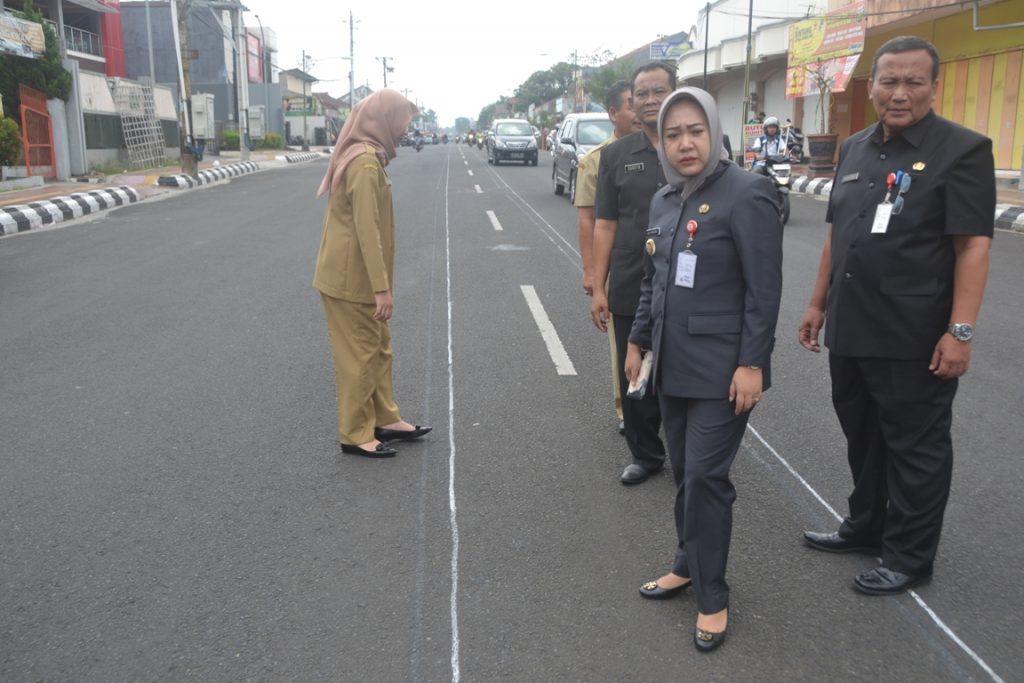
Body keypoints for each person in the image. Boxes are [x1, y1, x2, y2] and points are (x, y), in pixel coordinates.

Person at [798, 36, 994, 595]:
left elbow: (972, 247)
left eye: (913, 81)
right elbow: (840, 234)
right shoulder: (856, 147)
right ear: (873, 86)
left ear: (935, 86)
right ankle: (867, 525)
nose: (900, 93)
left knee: (916, 446)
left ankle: (909, 557)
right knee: (863, 434)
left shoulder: (963, 150)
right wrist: (817, 303)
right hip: (853, 326)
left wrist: (960, 332)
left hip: (915, 335)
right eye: (889, 81)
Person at [627, 87, 783, 652]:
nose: (685, 143)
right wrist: (639, 341)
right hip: (671, 365)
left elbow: (764, 292)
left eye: (696, 130)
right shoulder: (666, 199)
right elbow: (653, 279)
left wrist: (752, 364)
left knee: (706, 480)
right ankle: (686, 563)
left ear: (714, 132)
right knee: (684, 473)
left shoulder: (749, 193)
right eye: (673, 134)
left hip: (723, 373)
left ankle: (712, 597)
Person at [314, 89, 433, 458]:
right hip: (353, 280)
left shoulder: (368, 157)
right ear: (383, 121)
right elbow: (367, 231)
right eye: (402, 122)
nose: (403, 131)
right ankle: (355, 433)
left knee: (379, 349)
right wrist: (382, 289)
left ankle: (385, 418)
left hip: (355, 276)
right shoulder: (365, 163)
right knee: (361, 356)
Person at [591, 62, 676, 485]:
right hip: (629, 278)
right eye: (641, 94)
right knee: (635, 371)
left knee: (682, 367)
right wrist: (597, 285)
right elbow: (604, 223)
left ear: (675, 93)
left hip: (687, 279)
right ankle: (646, 454)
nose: (649, 100)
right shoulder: (615, 155)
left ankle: (687, 449)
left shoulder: (701, 143)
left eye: (658, 91)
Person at [574, 80, 641, 433]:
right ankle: (625, 410)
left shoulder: (666, 150)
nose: (639, 110)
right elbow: (589, 220)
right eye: (632, 104)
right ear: (614, 114)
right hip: (618, 263)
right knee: (623, 341)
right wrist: (592, 273)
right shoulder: (597, 160)